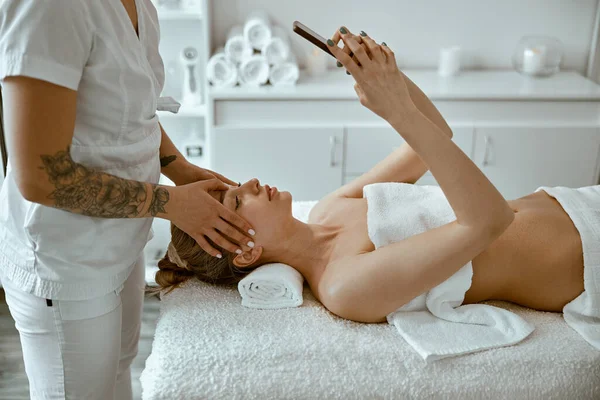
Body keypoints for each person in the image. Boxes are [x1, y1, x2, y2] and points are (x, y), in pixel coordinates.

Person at [155, 28, 598, 350]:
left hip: (577, 200)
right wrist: (396, 111)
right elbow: (488, 222)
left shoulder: (328, 211)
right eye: (238, 199)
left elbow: (431, 139)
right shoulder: (344, 285)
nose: (249, 182)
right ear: (246, 251)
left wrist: (385, 77)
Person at [0, 1, 256, 399]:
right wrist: (169, 203)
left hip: (122, 238)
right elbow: (40, 177)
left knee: (119, 372)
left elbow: (136, 112)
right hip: (67, 258)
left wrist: (179, 167)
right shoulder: (49, 9)